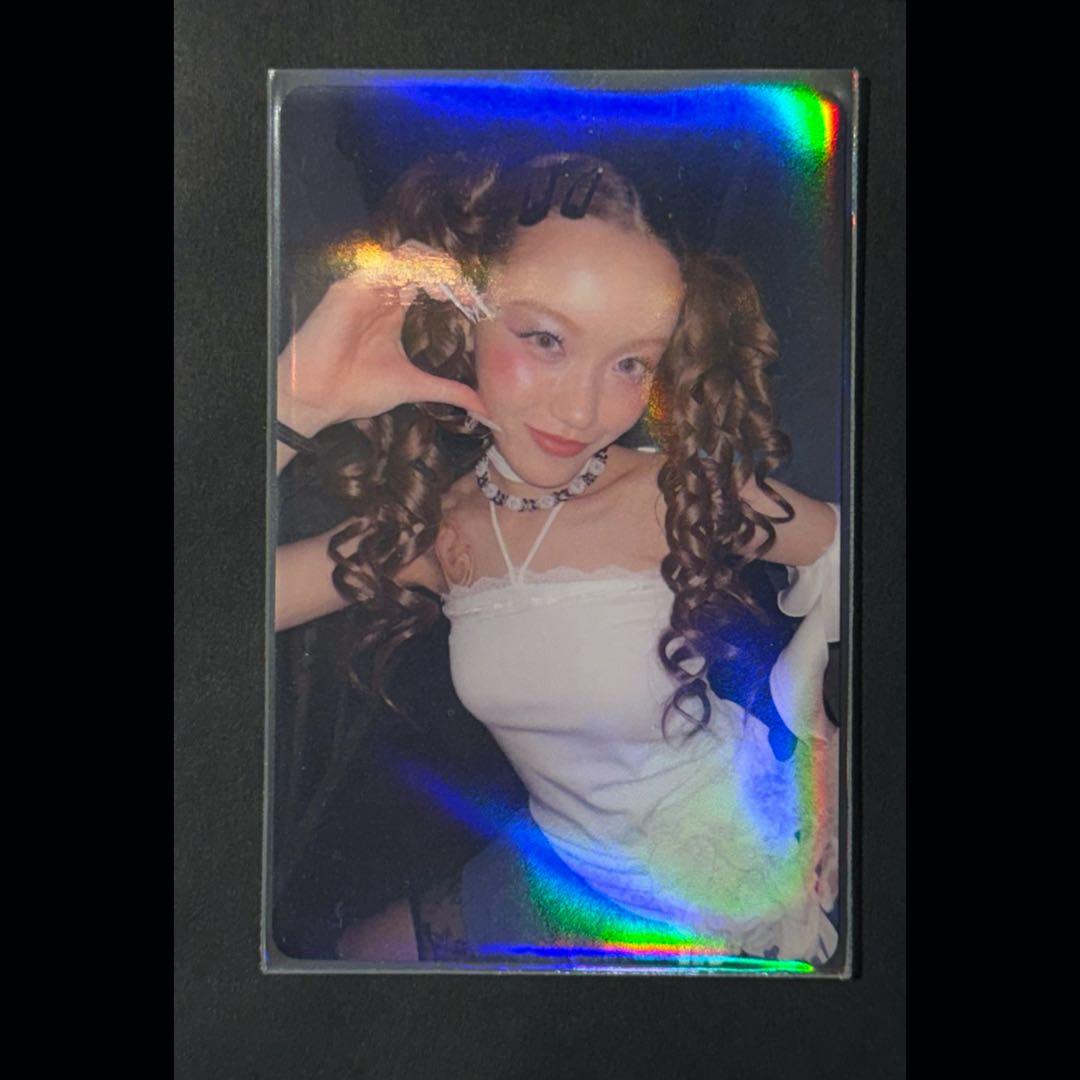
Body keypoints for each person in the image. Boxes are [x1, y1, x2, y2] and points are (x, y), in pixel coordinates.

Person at [274, 150, 841, 967]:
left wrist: (824, 737)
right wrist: (295, 403)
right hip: (572, 864)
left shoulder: (670, 489)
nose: (582, 410)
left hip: (741, 867)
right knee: (343, 967)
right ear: (463, 316)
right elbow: (220, 603)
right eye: (545, 339)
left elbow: (843, 548)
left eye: (630, 363)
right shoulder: (439, 531)